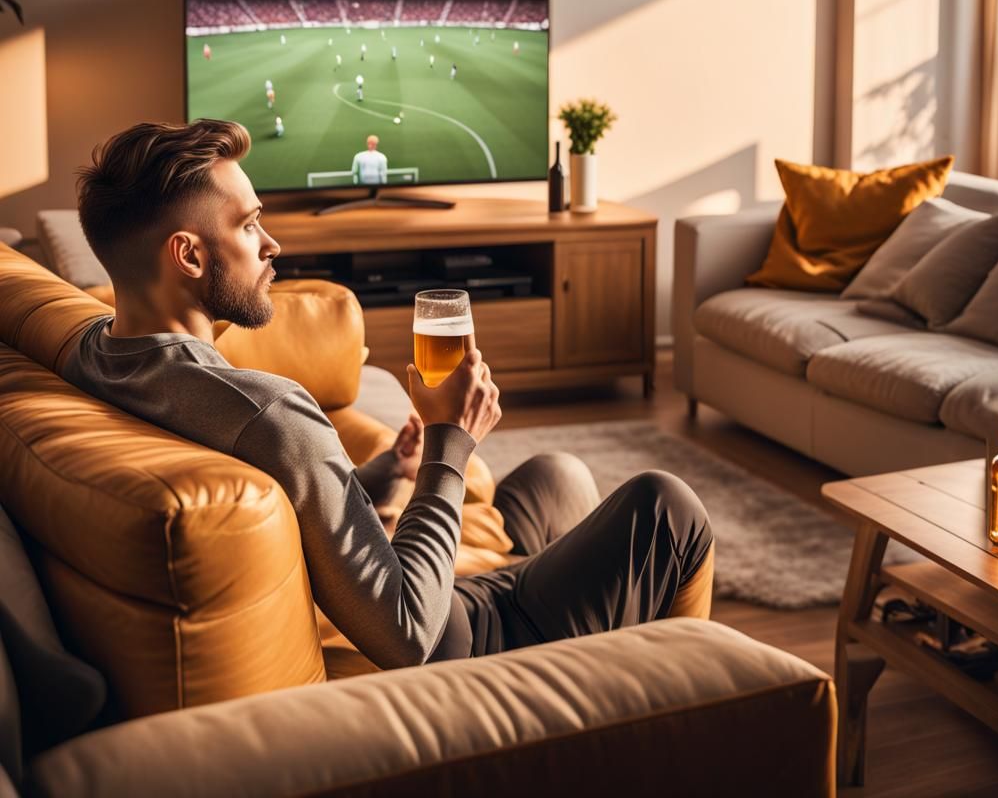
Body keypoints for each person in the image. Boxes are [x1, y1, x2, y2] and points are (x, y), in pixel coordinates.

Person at [67, 121, 714, 669]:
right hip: (464, 639)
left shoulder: (89, 352)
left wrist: (383, 476)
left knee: (554, 474)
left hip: (420, 594)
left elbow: (300, 510)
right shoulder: (270, 412)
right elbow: (407, 634)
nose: (273, 244)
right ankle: (634, 699)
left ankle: (600, 668)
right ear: (187, 256)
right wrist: (448, 444)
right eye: (249, 225)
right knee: (666, 506)